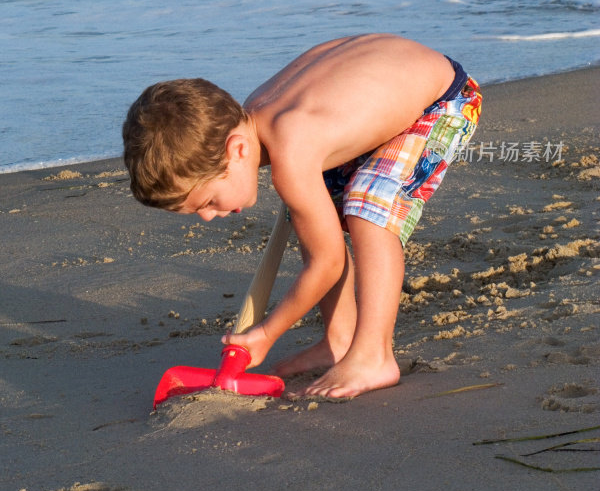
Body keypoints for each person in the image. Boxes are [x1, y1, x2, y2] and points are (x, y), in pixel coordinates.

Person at [123, 34, 481, 398]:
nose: (207, 217)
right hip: (389, 80)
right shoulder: (257, 114)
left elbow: (327, 263)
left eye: (208, 201)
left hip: (442, 99)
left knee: (368, 205)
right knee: (311, 214)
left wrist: (267, 331)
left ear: (238, 149)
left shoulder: (291, 147)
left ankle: (374, 354)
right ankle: (339, 340)